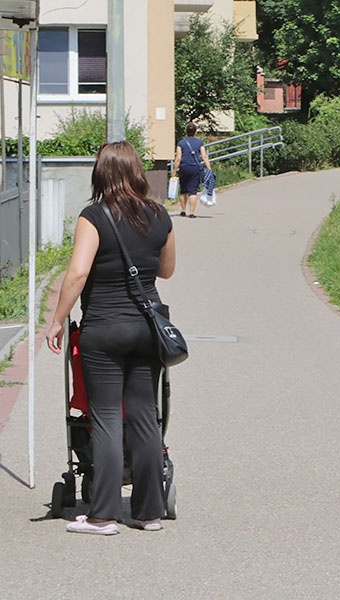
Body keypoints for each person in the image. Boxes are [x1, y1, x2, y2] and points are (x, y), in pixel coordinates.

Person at [46, 141, 176, 535]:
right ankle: (149, 512)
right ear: (136, 170)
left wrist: (57, 319)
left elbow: (78, 273)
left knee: (104, 417)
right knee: (143, 416)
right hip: (146, 328)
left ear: (101, 173)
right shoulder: (159, 214)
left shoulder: (93, 215)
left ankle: (102, 515)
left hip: (103, 327)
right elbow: (167, 270)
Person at [172, 121, 212, 218]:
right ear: (195, 132)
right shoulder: (199, 143)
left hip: (184, 168)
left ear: (186, 131)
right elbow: (204, 156)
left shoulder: (181, 143)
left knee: (183, 191)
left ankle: (183, 210)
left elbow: (178, 158)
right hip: (195, 168)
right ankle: (192, 213)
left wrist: (174, 172)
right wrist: (209, 169)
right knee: (193, 191)